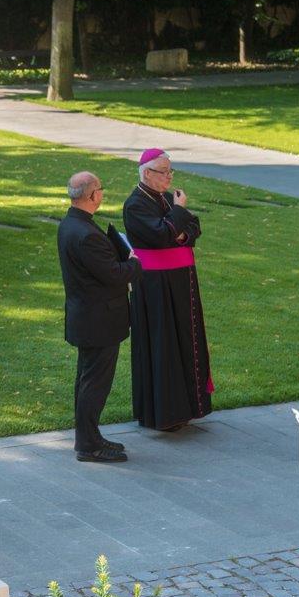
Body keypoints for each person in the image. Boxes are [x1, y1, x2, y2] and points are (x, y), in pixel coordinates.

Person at [122, 149, 214, 431]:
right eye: (165, 171)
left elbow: (193, 227)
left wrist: (181, 227)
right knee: (164, 346)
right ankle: (164, 413)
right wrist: (179, 215)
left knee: (185, 341)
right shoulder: (135, 204)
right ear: (147, 173)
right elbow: (162, 234)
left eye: (171, 171)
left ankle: (186, 408)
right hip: (156, 287)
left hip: (179, 283)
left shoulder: (163, 199)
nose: (170, 176)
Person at [57, 171, 142, 462]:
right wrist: (133, 263)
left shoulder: (70, 224)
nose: (102, 194)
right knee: (94, 383)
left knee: (87, 381)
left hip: (87, 317)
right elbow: (114, 275)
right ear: (93, 195)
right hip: (99, 320)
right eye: (101, 189)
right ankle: (89, 446)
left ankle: (90, 437)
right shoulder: (85, 235)